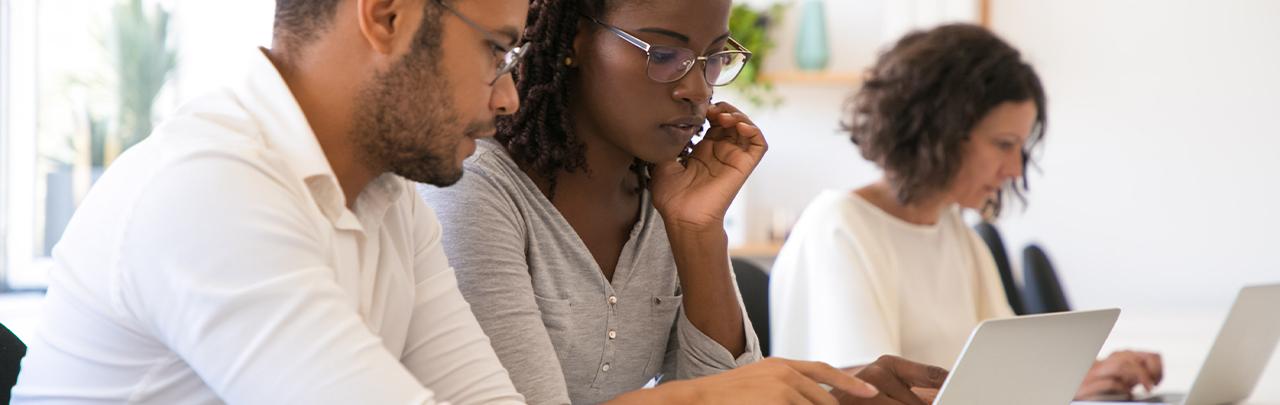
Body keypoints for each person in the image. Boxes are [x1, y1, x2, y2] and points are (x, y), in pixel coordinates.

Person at [421, 0, 948, 404]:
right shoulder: (475, 189)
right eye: (665, 55)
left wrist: (696, 231)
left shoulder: (666, 195)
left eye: (714, 57)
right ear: (576, 40)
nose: (698, 89)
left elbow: (729, 396)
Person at [14, 0, 531, 403]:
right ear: (387, 17)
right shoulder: (206, 191)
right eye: (496, 51)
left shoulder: (391, 198)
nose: (508, 97)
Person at [768, 23, 1165, 401]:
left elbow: (1017, 366)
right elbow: (869, 396)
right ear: (939, 132)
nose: (1014, 170)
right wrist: (1060, 387)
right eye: (1004, 144)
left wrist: (1094, 373)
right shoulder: (838, 226)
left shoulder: (953, 230)